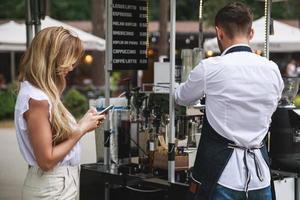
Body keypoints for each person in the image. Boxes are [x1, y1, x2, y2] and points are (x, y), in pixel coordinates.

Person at [175, 2, 283, 200]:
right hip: (261, 176)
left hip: (222, 176)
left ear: (219, 32)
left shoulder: (210, 68)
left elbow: (182, 97)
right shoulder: (272, 69)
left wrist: (173, 86)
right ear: (251, 32)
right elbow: (273, 106)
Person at [14, 26, 106, 200]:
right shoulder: (37, 99)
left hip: (55, 184)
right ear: (52, 58)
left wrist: (82, 123)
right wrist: (81, 130)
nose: (71, 67)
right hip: (52, 187)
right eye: (69, 60)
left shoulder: (37, 92)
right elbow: (46, 160)